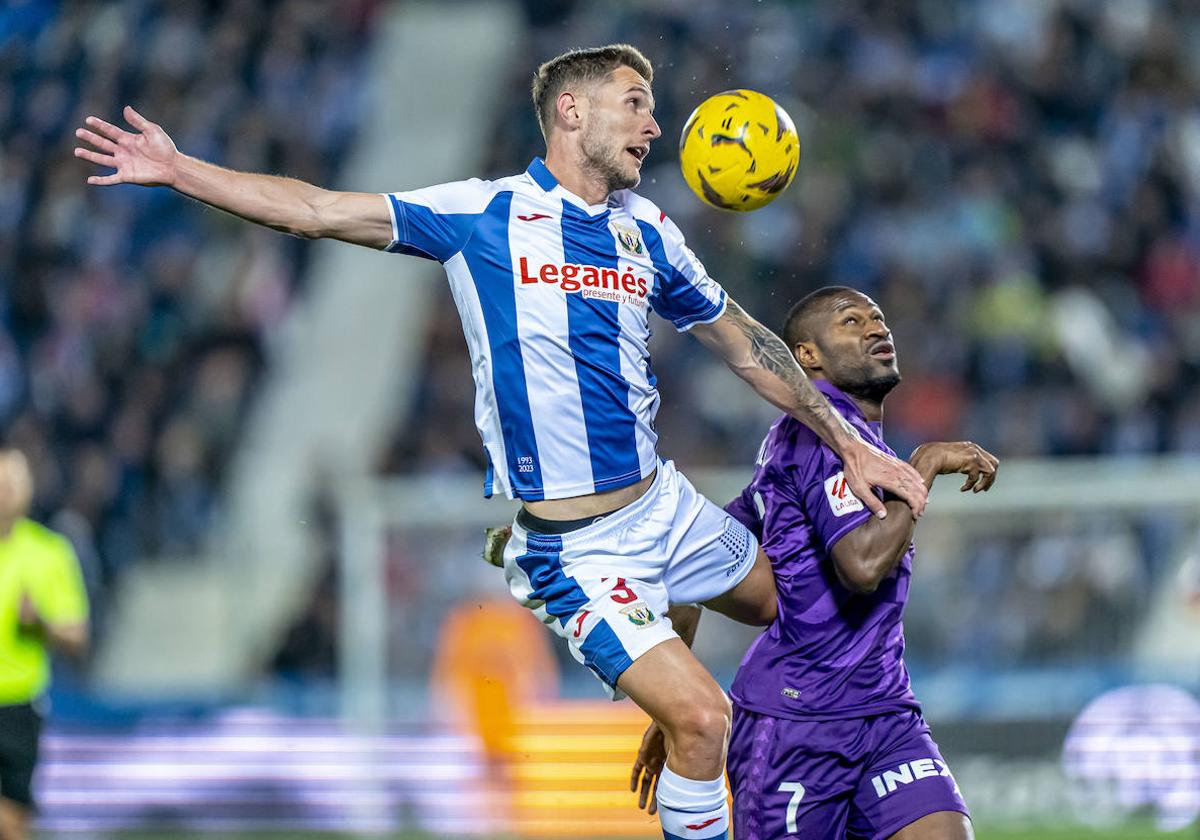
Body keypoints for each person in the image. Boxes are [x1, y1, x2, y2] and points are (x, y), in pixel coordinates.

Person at [74, 45, 929, 839]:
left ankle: (845, 764)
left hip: (663, 505)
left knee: (802, 602)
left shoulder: (647, 234)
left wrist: (848, 444)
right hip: (580, 548)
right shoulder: (484, 214)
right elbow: (316, 210)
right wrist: (182, 170)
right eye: (634, 105)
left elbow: (747, 343)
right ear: (570, 112)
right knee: (704, 719)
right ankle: (686, 725)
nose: (654, 126)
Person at [628, 286, 997, 839]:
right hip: (798, 725)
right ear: (807, 356)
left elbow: (699, 560)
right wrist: (926, 462)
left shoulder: (822, 444)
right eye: (852, 321)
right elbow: (863, 564)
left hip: (883, 708)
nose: (878, 329)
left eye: (878, 317)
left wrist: (672, 706)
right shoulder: (824, 439)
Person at [0, 451, 90, 840]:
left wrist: (39, 624)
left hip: (19, 704)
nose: (4, 493)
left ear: (28, 490)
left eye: (11, 484)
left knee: (13, 821)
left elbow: (77, 636)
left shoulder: (49, 552)